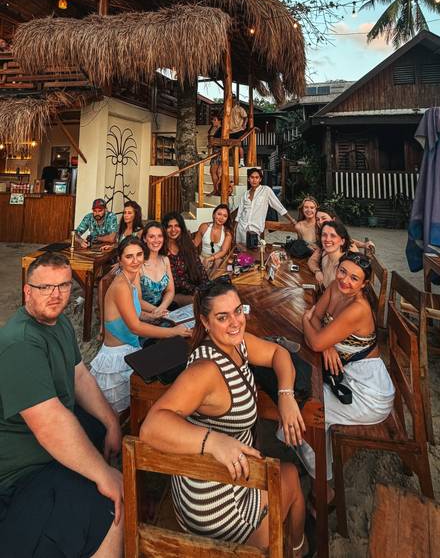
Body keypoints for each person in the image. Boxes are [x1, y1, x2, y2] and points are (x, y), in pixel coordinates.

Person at [139, 277, 308, 555]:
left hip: (220, 475)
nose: (235, 322)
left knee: (285, 470)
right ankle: (298, 548)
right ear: (205, 322)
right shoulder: (205, 370)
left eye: (238, 311)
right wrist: (215, 441)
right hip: (214, 503)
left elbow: (278, 352)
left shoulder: (236, 344)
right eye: (222, 317)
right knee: (290, 474)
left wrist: (286, 395)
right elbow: (152, 426)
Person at [0, 251, 124, 558]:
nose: (56, 295)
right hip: (24, 471)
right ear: (27, 291)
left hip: (51, 448)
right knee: (111, 512)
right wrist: (103, 475)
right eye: (45, 287)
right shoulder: (20, 342)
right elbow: (50, 423)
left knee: (100, 433)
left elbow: (79, 376)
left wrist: (111, 422)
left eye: (64, 286)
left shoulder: (59, 324)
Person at [300, 252, 395, 490]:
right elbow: (319, 320)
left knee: (303, 412)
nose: (345, 280)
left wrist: (308, 324)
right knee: (303, 399)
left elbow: (313, 333)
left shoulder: (358, 308)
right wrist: (326, 342)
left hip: (368, 393)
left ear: (364, 284)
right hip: (347, 375)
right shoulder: (335, 287)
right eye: (343, 271)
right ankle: (320, 465)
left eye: (354, 278)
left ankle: (324, 487)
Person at [90, 237, 191, 412]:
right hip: (117, 358)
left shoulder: (130, 280)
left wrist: (154, 316)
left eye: (138, 255)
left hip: (130, 349)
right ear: (119, 259)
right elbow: (135, 326)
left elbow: (134, 313)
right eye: (129, 257)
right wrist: (173, 331)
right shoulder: (121, 285)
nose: (135, 260)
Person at [235, 168, 296, 246]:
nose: (254, 180)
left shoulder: (266, 191)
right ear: (248, 179)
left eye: (257, 177)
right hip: (241, 228)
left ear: (260, 179)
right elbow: (239, 213)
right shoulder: (245, 194)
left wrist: (292, 220)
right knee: (240, 253)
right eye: (252, 177)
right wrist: (235, 228)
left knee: (253, 253)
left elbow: (279, 207)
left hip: (255, 230)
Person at [161, 212, 209, 305]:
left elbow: (200, 267)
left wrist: (206, 286)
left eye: (177, 226)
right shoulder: (162, 250)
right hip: (174, 293)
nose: (173, 230)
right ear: (164, 229)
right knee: (202, 302)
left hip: (194, 289)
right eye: (169, 226)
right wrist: (197, 291)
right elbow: (177, 281)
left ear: (181, 228)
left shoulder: (188, 244)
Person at [140, 221, 175, 317]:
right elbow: (136, 300)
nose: (156, 240)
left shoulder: (165, 260)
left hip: (162, 309)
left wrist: (162, 307)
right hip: (142, 313)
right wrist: (157, 311)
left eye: (160, 236)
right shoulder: (138, 262)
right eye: (151, 237)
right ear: (144, 239)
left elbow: (170, 290)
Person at [308, 220, 352, 290]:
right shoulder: (325, 254)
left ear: (342, 241)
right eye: (324, 235)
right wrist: (317, 271)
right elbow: (312, 261)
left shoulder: (344, 267)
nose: (327, 239)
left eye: (333, 236)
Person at [193, 204, 233, 273]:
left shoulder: (227, 233)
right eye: (219, 214)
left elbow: (223, 251)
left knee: (217, 267)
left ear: (227, 219)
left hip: (218, 260)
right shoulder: (204, 227)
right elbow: (195, 244)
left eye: (225, 216)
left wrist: (210, 259)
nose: (221, 218)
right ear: (214, 214)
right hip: (203, 257)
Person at [207, 113, 223, 196]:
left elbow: (221, 141)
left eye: (215, 120)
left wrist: (212, 144)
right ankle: (217, 190)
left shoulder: (221, 129)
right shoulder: (218, 129)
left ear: (219, 121)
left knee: (214, 171)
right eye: (212, 120)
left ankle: (216, 190)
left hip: (218, 152)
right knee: (214, 171)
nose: (213, 121)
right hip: (216, 151)